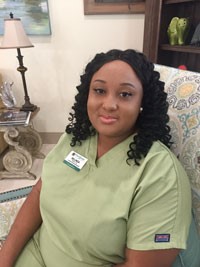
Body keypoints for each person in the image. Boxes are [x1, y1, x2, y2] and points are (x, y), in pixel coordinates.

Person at [0, 49, 199, 267]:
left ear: (143, 102)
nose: (109, 104)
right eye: (99, 90)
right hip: (34, 254)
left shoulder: (160, 173)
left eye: (125, 94)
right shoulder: (75, 138)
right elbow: (40, 191)